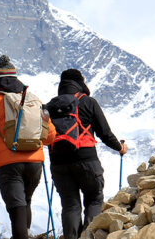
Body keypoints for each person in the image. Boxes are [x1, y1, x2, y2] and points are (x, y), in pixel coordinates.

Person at [0, 55, 56, 239]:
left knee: (16, 207)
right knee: (25, 202)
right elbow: (50, 136)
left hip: (9, 164)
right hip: (35, 163)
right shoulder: (34, 99)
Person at [46, 69, 127, 238]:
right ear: (80, 83)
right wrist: (119, 147)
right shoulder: (88, 102)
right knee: (94, 199)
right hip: (86, 159)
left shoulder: (50, 107)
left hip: (59, 162)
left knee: (70, 205)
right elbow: (104, 133)